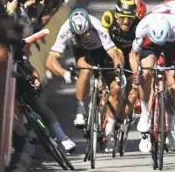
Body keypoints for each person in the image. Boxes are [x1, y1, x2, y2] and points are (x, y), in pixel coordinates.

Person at [45, 8, 124, 150]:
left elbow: (114, 54)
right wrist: (64, 73)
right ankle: (80, 110)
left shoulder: (97, 26)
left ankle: (110, 127)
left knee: (116, 89)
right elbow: (50, 61)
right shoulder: (65, 29)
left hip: (101, 51)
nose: (82, 37)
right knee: (86, 71)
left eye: (85, 34)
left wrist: (119, 72)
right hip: (82, 52)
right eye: (77, 35)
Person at [130, 0, 175, 151]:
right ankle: (145, 114)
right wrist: (136, 74)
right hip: (152, 42)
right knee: (146, 71)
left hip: (174, 42)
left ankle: (171, 118)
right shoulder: (144, 26)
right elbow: (133, 55)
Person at [100, 0, 144, 128]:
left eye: (130, 18)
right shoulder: (109, 19)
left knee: (134, 91)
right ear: (116, 15)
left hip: (129, 55)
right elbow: (100, 42)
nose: (126, 22)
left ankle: (117, 122)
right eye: (123, 17)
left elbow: (136, 53)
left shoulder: (138, 26)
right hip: (108, 52)